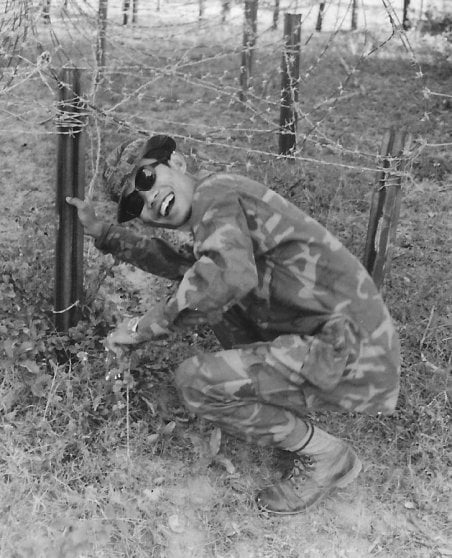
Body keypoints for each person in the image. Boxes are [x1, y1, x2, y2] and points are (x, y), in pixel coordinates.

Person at [66, 134, 401, 515]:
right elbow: (186, 268)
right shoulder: (213, 202)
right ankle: (279, 391)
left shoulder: (217, 196)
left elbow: (222, 279)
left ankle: (328, 456)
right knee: (213, 299)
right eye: (133, 202)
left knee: (197, 382)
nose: (148, 198)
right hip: (340, 340)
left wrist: (140, 329)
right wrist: (107, 235)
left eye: (145, 180)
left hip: (350, 352)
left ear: (176, 162)